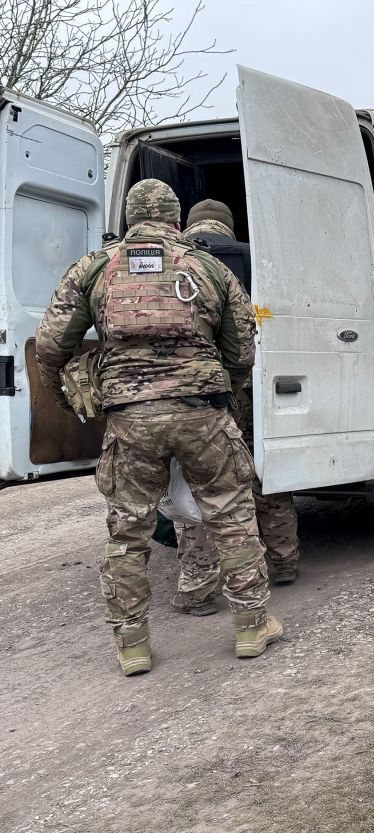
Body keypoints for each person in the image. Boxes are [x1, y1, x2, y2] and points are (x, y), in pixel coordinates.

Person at [35, 179, 283, 676]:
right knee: (231, 516)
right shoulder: (208, 266)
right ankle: (252, 627)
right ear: (176, 220)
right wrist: (220, 394)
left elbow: (51, 343)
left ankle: (132, 646)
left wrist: (67, 396)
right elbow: (243, 348)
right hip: (202, 412)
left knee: (128, 530)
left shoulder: (95, 268)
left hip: (130, 417)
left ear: (129, 219)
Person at [170, 200, 301, 617]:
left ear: (187, 225)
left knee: (195, 486)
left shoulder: (164, 261)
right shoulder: (249, 257)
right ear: (229, 227)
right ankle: (281, 561)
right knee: (261, 472)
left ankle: (200, 586)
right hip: (240, 390)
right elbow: (258, 328)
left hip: (181, 396)